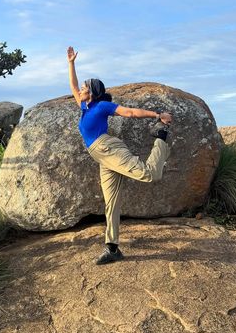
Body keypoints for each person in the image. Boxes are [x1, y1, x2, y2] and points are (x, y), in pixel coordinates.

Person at [67, 46, 172, 265]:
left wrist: (157, 115)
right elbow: (74, 86)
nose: (82, 89)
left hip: (108, 149)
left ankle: (161, 137)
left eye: (86, 87)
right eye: (84, 87)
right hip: (102, 158)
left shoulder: (102, 105)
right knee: (111, 203)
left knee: (150, 174)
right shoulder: (85, 108)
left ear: (93, 91)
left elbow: (130, 112)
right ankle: (112, 248)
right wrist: (71, 63)